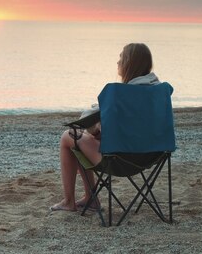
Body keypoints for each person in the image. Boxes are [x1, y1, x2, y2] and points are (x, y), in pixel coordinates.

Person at [50, 43, 161, 211]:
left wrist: (95, 130)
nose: (117, 62)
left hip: (119, 161)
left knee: (69, 136)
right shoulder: (159, 91)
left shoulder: (119, 93)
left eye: (120, 58)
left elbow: (87, 120)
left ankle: (70, 201)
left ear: (128, 63)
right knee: (83, 139)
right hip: (152, 156)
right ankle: (90, 199)